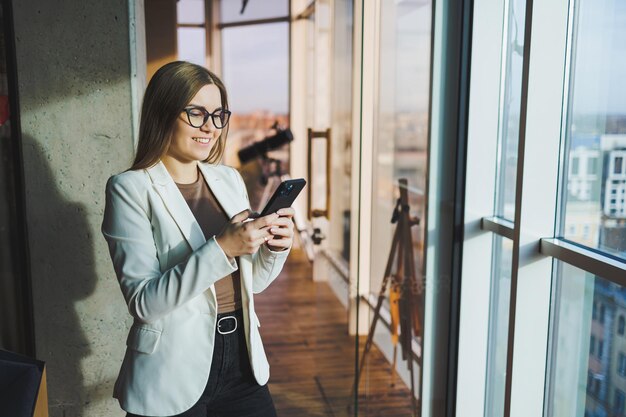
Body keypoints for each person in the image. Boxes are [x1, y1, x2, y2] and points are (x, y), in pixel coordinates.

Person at [101, 61, 294, 417]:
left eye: (219, 115)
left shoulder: (228, 179)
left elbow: (255, 284)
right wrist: (223, 247)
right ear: (163, 113)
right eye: (196, 113)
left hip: (243, 359)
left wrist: (274, 248)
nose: (210, 127)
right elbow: (144, 302)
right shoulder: (130, 189)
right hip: (170, 365)